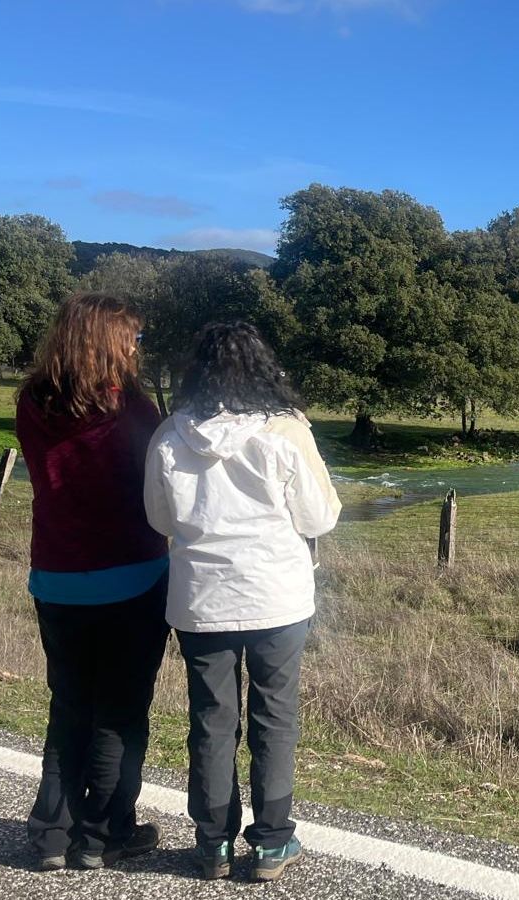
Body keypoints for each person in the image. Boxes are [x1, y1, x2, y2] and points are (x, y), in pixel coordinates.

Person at [143, 321, 339, 882]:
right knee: (275, 718)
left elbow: (160, 518)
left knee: (210, 719)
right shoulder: (286, 431)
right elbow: (319, 516)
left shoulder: (169, 434)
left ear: (196, 372)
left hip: (201, 599)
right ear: (261, 367)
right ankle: (273, 843)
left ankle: (212, 843)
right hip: (276, 596)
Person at [16, 293, 170, 872]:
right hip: (131, 572)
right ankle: (105, 834)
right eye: (132, 338)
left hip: (56, 576)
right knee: (121, 713)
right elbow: (157, 476)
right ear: (109, 342)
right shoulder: (128, 406)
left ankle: (52, 832)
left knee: (70, 705)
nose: (136, 348)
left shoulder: (33, 400)